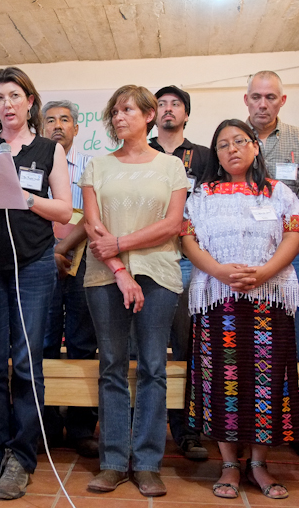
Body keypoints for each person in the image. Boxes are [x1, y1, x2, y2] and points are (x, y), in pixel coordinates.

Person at [0, 67, 72, 500]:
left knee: (26, 365)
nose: (7, 104)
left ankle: (21, 459)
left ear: (29, 101)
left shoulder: (48, 150)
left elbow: (64, 211)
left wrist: (25, 197)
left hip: (33, 265)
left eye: (14, 95)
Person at [182, 119, 299, 500]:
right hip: (218, 299)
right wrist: (218, 270)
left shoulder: (278, 192)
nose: (232, 149)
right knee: (222, 380)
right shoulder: (202, 194)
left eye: (239, 141)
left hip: (268, 299)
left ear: (255, 147)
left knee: (267, 383)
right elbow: (188, 239)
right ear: (216, 155)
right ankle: (229, 464)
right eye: (223, 145)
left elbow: (295, 233)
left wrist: (266, 272)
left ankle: (258, 463)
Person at [81, 85, 186, 498]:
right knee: (110, 365)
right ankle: (111, 462)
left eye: (127, 110)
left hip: (159, 272)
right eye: (114, 112)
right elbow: (93, 227)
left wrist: (122, 245)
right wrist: (121, 270)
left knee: (152, 367)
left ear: (148, 116)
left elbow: (172, 224)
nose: (119, 118)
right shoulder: (97, 166)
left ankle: (146, 463)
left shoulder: (171, 167)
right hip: (106, 275)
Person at [244, 71, 299, 460]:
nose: (262, 104)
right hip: (245, 258)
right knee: (245, 342)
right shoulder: (234, 138)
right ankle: (244, 423)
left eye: (270, 97)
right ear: (246, 100)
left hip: (292, 253)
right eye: (256, 97)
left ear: (282, 101)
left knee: (297, 336)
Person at [149, 84, 211, 461]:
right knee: (149, 348)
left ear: (186, 114)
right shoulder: (142, 152)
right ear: (151, 114)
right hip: (151, 257)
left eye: (176, 105)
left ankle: (188, 431)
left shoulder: (204, 156)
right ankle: (149, 430)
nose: (168, 110)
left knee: (188, 348)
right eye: (161, 105)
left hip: (192, 259)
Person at [40, 99, 98, 458]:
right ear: (41, 127)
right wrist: (49, 252)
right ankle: (43, 426)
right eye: (50, 120)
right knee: (42, 343)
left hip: (84, 263)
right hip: (38, 263)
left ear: (76, 128)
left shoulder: (92, 167)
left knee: (82, 342)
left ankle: (80, 428)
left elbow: (94, 216)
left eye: (65, 120)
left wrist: (62, 250)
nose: (58, 125)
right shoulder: (30, 163)